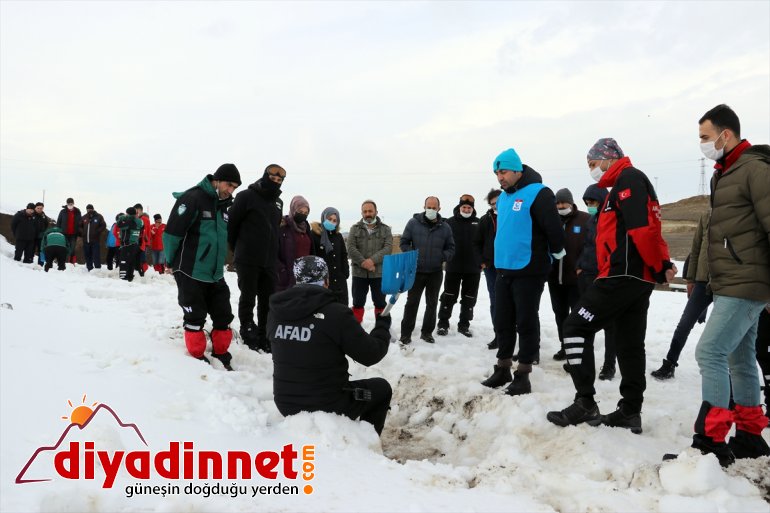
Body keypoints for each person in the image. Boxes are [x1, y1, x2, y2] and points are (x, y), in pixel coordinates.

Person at [547, 138, 674, 433]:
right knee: (630, 343)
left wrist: (658, 267)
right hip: (633, 277)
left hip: (622, 275)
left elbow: (643, 229)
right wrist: (661, 263)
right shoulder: (620, 186)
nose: (592, 170)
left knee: (574, 327)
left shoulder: (628, 178)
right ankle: (630, 410)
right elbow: (652, 228)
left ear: (607, 158)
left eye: (593, 164)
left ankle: (585, 402)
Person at [680, 105, 770, 465]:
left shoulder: (755, 170)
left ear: (725, 135)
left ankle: (711, 441)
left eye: (705, 137)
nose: (703, 144)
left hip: (747, 282)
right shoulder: (725, 174)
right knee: (739, 357)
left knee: (709, 352)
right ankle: (749, 436)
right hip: (733, 280)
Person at [268, 255, 392, 436]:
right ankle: (366, 445)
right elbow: (371, 354)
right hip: (327, 403)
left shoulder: (276, 312)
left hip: (285, 402)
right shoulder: (335, 313)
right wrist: (382, 325)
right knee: (381, 389)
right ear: (326, 281)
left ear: (297, 279)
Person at [481, 148, 565, 396]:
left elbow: (553, 229)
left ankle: (523, 373)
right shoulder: (505, 198)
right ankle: (503, 367)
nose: (500, 177)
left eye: (503, 171)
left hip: (530, 268)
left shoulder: (539, 193)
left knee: (525, 321)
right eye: (497, 173)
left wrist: (556, 254)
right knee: (502, 319)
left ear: (517, 170)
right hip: (504, 268)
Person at [163, 164, 241, 368]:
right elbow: (172, 233)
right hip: (190, 270)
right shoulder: (193, 198)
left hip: (214, 273)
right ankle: (197, 356)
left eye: (235, 187)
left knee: (223, 315)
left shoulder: (225, 206)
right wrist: (171, 261)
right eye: (228, 184)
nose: (230, 190)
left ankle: (221, 351)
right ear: (217, 179)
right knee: (195, 316)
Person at [227, 164, 285, 352]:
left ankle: (264, 333)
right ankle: (247, 329)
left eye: (279, 180)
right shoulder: (246, 196)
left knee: (267, 300)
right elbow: (232, 226)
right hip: (247, 258)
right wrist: (239, 250)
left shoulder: (278, 202)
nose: (275, 182)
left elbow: (275, 230)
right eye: (272, 178)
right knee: (248, 297)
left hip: (269, 261)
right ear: (264, 176)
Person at [651, 210, 713, 380]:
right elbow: (696, 248)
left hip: (728, 283)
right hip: (702, 281)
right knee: (684, 324)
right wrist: (691, 279)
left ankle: (731, 376)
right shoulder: (707, 216)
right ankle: (670, 363)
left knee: (726, 333)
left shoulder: (739, 212)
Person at [573, 184, 617, 381]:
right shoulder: (591, 221)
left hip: (604, 277)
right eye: (587, 203)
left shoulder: (613, 219)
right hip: (587, 275)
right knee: (585, 319)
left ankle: (609, 366)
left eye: (593, 202)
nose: (590, 206)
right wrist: (580, 265)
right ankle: (584, 361)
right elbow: (587, 246)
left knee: (609, 324)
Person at [399, 196, 455, 344]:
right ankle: (406, 333)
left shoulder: (445, 227)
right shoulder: (413, 223)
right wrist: (412, 254)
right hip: (416, 271)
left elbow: (451, 247)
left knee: (432, 303)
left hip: (435, 272)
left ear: (439, 209)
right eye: (428, 207)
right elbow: (404, 242)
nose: (431, 210)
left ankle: (427, 332)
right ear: (424, 207)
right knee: (412, 303)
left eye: (434, 207)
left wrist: (442, 256)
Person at [548, 188, 590, 361]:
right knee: (560, 315)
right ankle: (564, 347)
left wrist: (582, 266)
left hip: (575, 279)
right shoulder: (551, 220)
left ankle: (578, 350)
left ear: (571, 203)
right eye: (557, 203)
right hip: (554, 278)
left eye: (563, 202)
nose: (560, 206)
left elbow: (590, 246)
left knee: (576, 316)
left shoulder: (585, 220)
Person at [437, 194, 481, 338]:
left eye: (469, 207)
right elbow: (442, 242)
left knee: (469, 298)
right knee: (449, 296)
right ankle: (443, 324)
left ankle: (464, 325)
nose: (467, 209)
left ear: (472, 209)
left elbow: (485, 243)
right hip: (453, 267)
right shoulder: (449, 222)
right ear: (459, 207)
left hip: (473, 268)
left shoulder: (479, 223)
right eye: (464, 207)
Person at [347, 200, 393, 323]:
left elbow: (388, 248)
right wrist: (364, 263)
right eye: (365, 211)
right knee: (357, 302)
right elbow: (350, 248)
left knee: (380, 302)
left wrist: (372, 261)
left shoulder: (385, 229)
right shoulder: (354, 228)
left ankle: (382, 328)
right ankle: (355, 328)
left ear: (376, 212)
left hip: (378, 273)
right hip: (359, 273)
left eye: (370, 211)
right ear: (362, 213)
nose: (368, 213)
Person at [474, 189, 501, 349]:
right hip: (491, 267)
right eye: (492, 204)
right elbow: (476, 242)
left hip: (511, 266)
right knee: (495, 301)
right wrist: (482, 262)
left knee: (514, 302)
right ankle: (499, 334)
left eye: (497, 202)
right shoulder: (485, 220)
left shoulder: (512, 216)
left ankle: (515, 335)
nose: (495, 206)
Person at [310, 207, 350, 305]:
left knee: (342, 309)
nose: (332, 222)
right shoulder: (314, 235)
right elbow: (312, 257)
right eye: (329, 219)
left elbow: (343, 255)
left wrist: (345, 272)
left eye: (335, 220)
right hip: (323, 282)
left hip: (339, 281)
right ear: (324, 218)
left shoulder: (338, 236)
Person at [276, 195, 315, 292]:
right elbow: (274, 252)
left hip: (305, 277)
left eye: (306, 213)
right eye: (300, 212)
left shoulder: (306, 228)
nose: (303, 215)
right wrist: (282, 270)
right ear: (293, 210)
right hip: (287, 278)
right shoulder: (283, 227)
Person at [117, 207, 144, 282]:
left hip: (127, 244)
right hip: (135, 243)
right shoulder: (140, 221)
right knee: (131, 261)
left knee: (123, 261)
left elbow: (119, 225)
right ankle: (130, 276)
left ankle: (123, 278)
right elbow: (142, 228)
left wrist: (121, 218)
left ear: (128, 214)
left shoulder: (129, 221)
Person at [80, 204, 106, 271]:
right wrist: (82, 232)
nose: (89, 210)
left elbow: (103, 225)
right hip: (86, 240)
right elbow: (79, 226)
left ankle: (97, 268)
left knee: (96, 255)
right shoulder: (84, 217)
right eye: (88, 209)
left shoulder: (99, 217)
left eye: (90, 209)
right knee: (87, 255)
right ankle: (89, 268)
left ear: (93, 209)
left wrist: (97, 231)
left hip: (95, 240)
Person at [56, 198, 81, 264]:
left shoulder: (77, 211)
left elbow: (80, 222)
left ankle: (71, 263)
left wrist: (80, 231)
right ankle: (62, 262)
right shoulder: (62, 211)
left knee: (72, 249)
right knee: (63, 248)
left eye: (71, 204)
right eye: (69, 204)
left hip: (73, 234)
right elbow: (59, 222)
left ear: (73, 203)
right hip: (64, 233)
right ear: (67, 204)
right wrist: (58, 231)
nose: (70, 205)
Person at [134, 203, 152, 276]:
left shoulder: (143, 219)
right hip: (142, 242)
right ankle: (141, 272)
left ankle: (143, 272)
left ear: (139, 210)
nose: (136, 212)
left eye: (136, 210)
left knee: (141, 258)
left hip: (142, 242)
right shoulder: (142, 218)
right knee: (140, 257)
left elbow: (144, 231)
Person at [33, 202, 51, 266]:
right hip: (32, 236)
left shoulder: (44, 216)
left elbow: (46, 224)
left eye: (41, 208)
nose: (40, 209)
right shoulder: (32, 215)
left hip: (41, 237)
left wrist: (43, 232)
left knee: (42, 251)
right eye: (38, 208)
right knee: (31, 250)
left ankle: (41, 264)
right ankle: (29, 262)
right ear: (35, 208)